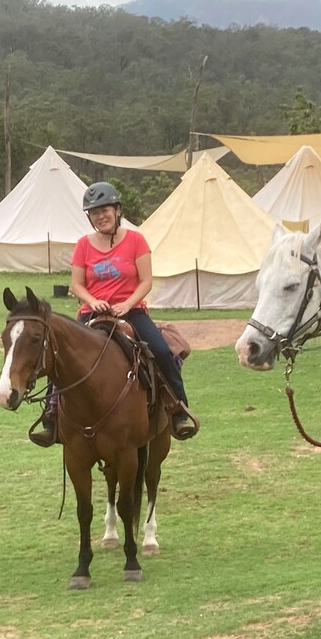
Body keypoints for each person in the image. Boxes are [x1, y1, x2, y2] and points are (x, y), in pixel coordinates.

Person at [29, 181, 199, 446]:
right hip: (92, 313)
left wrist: (127, 304)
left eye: (105, 209)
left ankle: (178, 409)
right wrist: (92, 300)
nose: (101, 216)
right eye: (95, 212)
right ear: (90, 217)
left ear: (117, 210)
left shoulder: (136, 240)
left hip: (131, 311)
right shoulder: (83, 245)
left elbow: (146, 281)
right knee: (59, 355)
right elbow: (76, 284)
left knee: (161, 351)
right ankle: (51, 415)